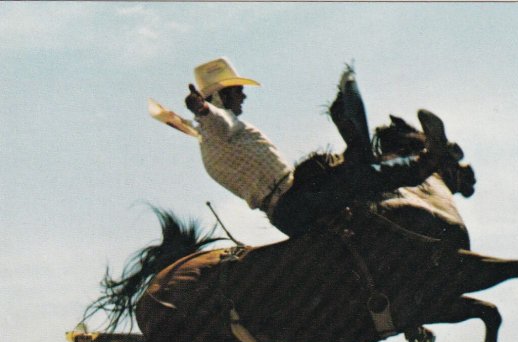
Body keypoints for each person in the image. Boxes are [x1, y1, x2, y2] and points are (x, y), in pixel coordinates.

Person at [184, 58, 464, 237]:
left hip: (289, 204)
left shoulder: (212, 141)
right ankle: (427, 162)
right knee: (362, 175)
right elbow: (215, 120)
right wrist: (203, 108)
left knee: (352, 175)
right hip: (295, 201)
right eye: (236, 90)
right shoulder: (217, 127)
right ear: (219, 97)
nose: (243, 94)